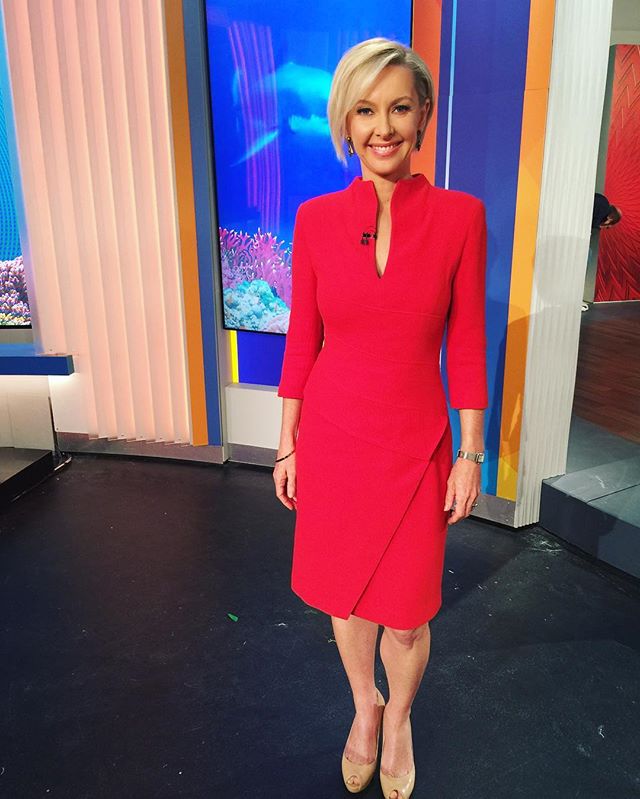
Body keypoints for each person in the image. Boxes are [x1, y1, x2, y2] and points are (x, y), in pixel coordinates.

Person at [273, 37, 488, 799]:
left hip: (417, 443)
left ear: (424, 113)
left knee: (405, 612)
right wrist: (287, 443)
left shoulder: (462, 217)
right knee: (347, 593)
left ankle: (400, 718)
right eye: (365, 110)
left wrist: (471, 452)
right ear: (345, 121)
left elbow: (467, 343)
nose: (383, 127)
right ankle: (365, 707)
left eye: (399, 107)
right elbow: (302, 338)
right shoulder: (315, 218)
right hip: (334, 439)